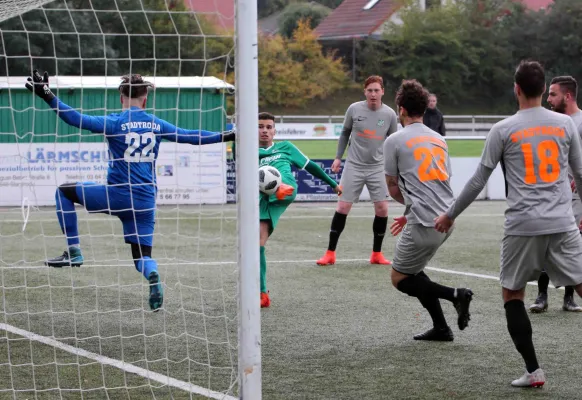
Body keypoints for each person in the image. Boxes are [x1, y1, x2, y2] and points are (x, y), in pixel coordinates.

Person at [26, 70, 235, 311]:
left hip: (117, 196)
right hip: (146, 202)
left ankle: (74, 251)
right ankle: (153, 273)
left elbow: (75, 118)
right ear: (145, 99)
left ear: (121, 97)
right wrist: (226, 135)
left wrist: (47, 94)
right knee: (141, 258)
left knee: (64, 192)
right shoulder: (156, 124)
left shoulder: (115, 122)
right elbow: (191, 137)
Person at [435, 61, 582, 388]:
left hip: (523, 225)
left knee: (512, 293)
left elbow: (476, 182)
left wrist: (449, 214)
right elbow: (581, 174)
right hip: (562, 221)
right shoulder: (565, 124)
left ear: (516, 89)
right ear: (544, 90)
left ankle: (534, 371)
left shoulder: (503, 129)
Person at [383, 79, 473, 341]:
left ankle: (456, 295)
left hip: (425, 223)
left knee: (400, 278)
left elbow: (393, 187)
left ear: (400, 109)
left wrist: (410, 209)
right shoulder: (439, 139)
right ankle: (442, 329)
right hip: (447, 219)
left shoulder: (394, 140)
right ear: (425, 109)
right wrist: (410, 212)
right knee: (415, 271)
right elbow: (437, 184)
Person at [254, 112, 341, 307]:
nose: (265, 131)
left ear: (275, 131)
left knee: (286, 187)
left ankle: (279, 187)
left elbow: (310, 167)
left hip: (286, 189)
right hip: (261, 199)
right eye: (260, 127)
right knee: (257, 244)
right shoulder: (248, 151)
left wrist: (332, 184)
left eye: (268, 127)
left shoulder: (286, 147)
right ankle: (262, 293)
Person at [317, 75, 398, 266]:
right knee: (343, 207)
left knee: (382, 208)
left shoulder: (390, 114)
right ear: (365, 92)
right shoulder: (354, 109)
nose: (373, 94)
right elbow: (345, 132)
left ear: (382, 92)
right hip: (354, 165)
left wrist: (395, 167)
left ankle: (376, 254)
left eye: (376, 90)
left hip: (378, 167)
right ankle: (330, 253)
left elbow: (394, 141)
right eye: (369, 90)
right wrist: (338, 157)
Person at [529, 76, 582, 313]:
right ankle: (542, 295)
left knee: (571, 245)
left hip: (575, 197)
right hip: (550, 194)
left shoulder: (579, 122)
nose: (548, 99)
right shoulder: (553, 122)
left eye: (552, 94)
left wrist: (574, 180)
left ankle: (569, 298)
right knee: (545, 242)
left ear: (567, 96)